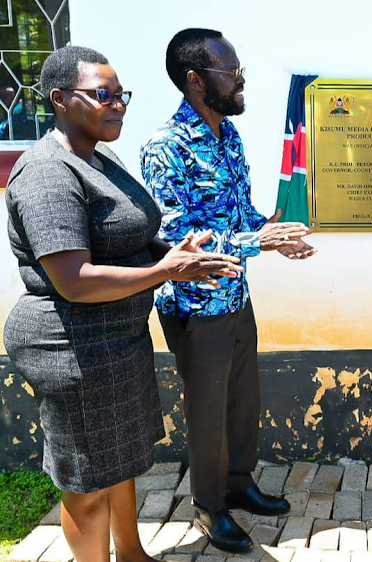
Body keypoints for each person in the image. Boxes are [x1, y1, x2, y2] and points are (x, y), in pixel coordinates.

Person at [4, 46, 242, 562]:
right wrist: (162, 272)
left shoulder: (100, 155)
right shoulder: (47, 172)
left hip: (117, 338)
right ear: (60, 99)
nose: (117, 106)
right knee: (89, 479)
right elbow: (74, 278)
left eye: (120, 96)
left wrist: (175, 255)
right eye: (102, 95)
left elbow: (129, 236)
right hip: (73, 346)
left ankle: (132, 554)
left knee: (121, 461)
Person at [141, 28, 314, 553]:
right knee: (208, 408)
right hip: (195, 304)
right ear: (196, 80)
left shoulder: (228, 136)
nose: (241, 81)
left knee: (243, 401)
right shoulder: (164, 148)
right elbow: (176, 238)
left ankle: (239, 485)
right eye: (231, 72)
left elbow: (238, 218)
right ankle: (209, 506)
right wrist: (256, 240)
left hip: (235, 294)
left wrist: (271, 235)